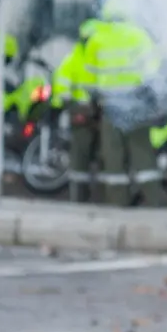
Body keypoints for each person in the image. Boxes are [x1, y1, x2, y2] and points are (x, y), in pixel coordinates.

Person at [82, 3, 165, 206]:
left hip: (110, 106)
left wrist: (93, 103)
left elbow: (88, 80)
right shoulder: (138, 36)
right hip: (136, 105)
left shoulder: (97, 38)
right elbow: (153, 74)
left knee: (113, 157)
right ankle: (155, 202)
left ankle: (118, 203)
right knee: (143, 155)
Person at [52, 19, 104, 203]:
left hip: (100, 112)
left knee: (103, 156)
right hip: (82, 113)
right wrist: (72, 108)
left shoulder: (100, 57)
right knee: (81, 156)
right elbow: (62, 86)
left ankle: (98, 196)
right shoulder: (75, 59)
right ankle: (80, 197)